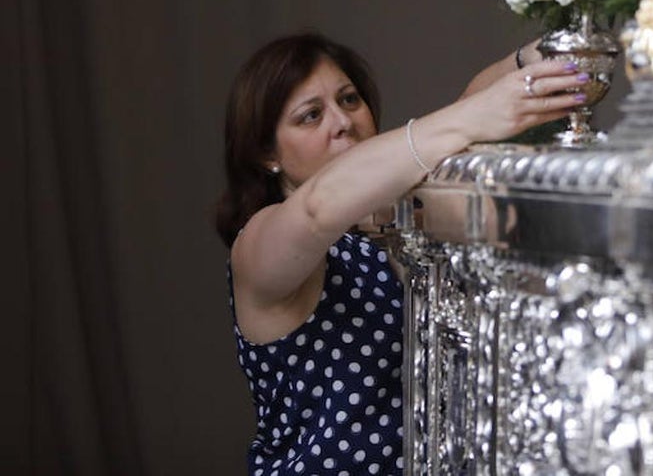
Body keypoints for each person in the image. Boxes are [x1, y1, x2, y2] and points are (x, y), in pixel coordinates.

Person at [214, 31, 586, 475]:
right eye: (311, 116)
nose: (342, 122)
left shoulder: (390, 215)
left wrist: (544, 52)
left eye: (349, 100)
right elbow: (318, 207)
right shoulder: (259, 239)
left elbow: (463, 113)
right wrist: (471, 119)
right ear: (267, 153)